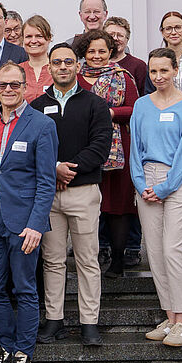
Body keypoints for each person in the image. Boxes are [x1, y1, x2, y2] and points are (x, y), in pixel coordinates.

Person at [0, 62, 57, 363]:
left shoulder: (42, 125)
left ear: (25, 88)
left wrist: (37, 224)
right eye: (2, 85)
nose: (8, 90)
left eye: (14, 85)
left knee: (24, 288)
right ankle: (7, 349)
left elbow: (47, 181)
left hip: (24, 224)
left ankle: (24, 355)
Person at [31, 44, 112, 347]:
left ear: (77, 66)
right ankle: (55, 320)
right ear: (48, 68)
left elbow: (101, 145)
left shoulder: (95, 104)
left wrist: (69, 169)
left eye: (68, 61)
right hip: (48, 195)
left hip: (84, 192)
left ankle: (89, 322)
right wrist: (53, 168)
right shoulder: (37, 106)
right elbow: (33, 146)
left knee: (87, 260)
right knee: (52, 260)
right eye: (57, 62)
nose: (63, 66)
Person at [131, 48, 182, 348]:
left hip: (179, 182)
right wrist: (140, 184)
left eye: (164, 70)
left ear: (175, 70)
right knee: (156, 253)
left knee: (174, 250)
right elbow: (135, 149)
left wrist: (164, 188)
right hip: (147, 182)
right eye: (153, 72)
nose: (158, 76)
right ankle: (170, 316)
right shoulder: (141, 105)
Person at [76, 29, 140, 279]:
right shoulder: (76, 76)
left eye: (102, 51)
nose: (97, 55)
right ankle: (89, 261)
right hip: (83, 148)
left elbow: (135, 109)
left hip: (118, 151)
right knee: (87, 207)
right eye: (91, 51)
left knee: (117, 207)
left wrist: (111, 114)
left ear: (110, 51)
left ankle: (118, 261)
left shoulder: (122, 76)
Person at [103, 17, 148, 97]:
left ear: (127, 40)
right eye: (111, 35)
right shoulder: (97, 63)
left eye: (120, 35)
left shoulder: (138, 66)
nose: (115, 38)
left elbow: (144, 97)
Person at [157, 11, 182, 92]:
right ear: (162, 32)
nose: (174, 32)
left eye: (178, 27)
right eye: (168, 29)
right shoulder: (156, 59)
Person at [18, 15, 54, 104]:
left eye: (39, 36)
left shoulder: (58, 69)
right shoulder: (17, 71)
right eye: (29, 36)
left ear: (49, 38)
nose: (33, 41)